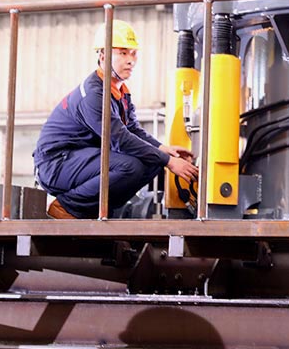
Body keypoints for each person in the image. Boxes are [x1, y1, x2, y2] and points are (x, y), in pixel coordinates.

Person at [33, 20, 198, 219]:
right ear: (103, 56)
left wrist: (163, 149)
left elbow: (133, 130)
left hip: (80, 159)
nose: (131, 60)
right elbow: (120, 139)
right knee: (131, 166)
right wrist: (169, 161)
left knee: (152, 161)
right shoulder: (94, 94)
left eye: (133, 53)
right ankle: (67, 207)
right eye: (123, 53)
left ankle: (96, 208)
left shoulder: (120, 91)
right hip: (57, 163)